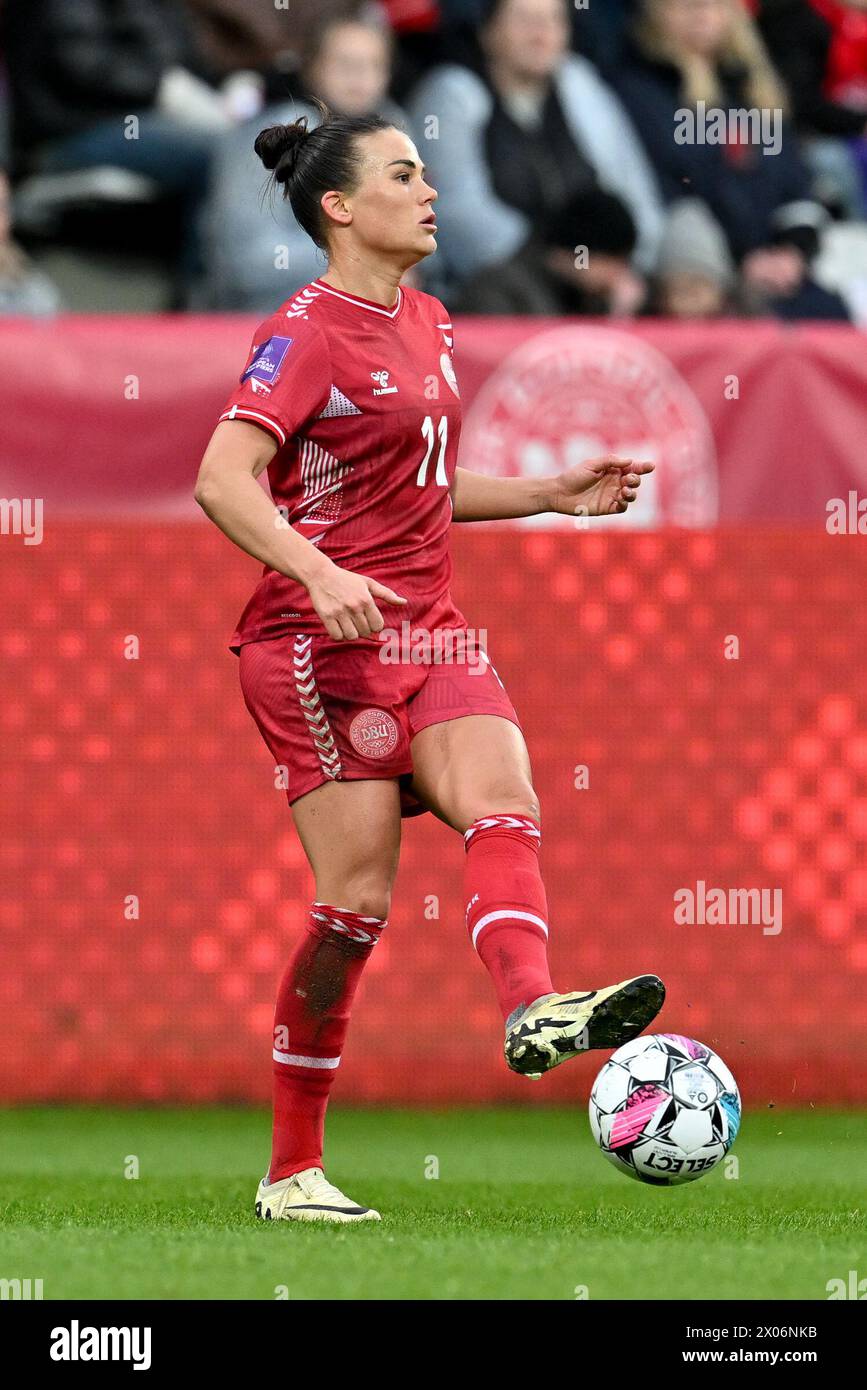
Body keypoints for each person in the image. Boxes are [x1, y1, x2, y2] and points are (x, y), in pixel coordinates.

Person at [194, 110, 665, 1222]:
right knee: (354, 906)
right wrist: (315, 573)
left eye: (426, 170)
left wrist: (547, 494)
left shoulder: (433, 320)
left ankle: (532, 1010)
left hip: (429, 628)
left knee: (505, 800)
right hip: (318, 648)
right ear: (341, 208)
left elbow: (423, 491)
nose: (431, 188)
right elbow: (223, 478)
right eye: (404, 173)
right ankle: (292, 1171)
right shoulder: (303, 331)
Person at [407, 0, 664, 293]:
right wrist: (554, 263)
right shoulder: (451, 94)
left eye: (554, 20)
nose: (541, 34)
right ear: (488, 32)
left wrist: (624, 267)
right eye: (525, 20)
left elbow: (636, 194)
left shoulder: (580, 85)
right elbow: (454, 212)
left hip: (598, 282)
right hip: (491, 290)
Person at [615, 0, 828, 306]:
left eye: (714, 3)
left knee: (829, 312)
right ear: (656, 14)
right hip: (699, 270)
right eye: (686, 5)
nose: (701, 12)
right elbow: (674, 189)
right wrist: (743, 258)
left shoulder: (755, 93)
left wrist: (792, 252)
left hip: (779, 271)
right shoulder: (639, 93)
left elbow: (797, 187)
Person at [204, 15, 405, 309]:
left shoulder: (396, 132)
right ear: (312, 67)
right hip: (267, 320)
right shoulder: (280, 136)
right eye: (346, 64)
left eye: (374, 65)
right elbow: (247, 262)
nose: (360, 77)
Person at [455, 187, 645, 315]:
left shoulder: (590, 298)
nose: (621, 274)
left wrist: (619, 314)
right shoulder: (498, 290)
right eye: (616, 261)